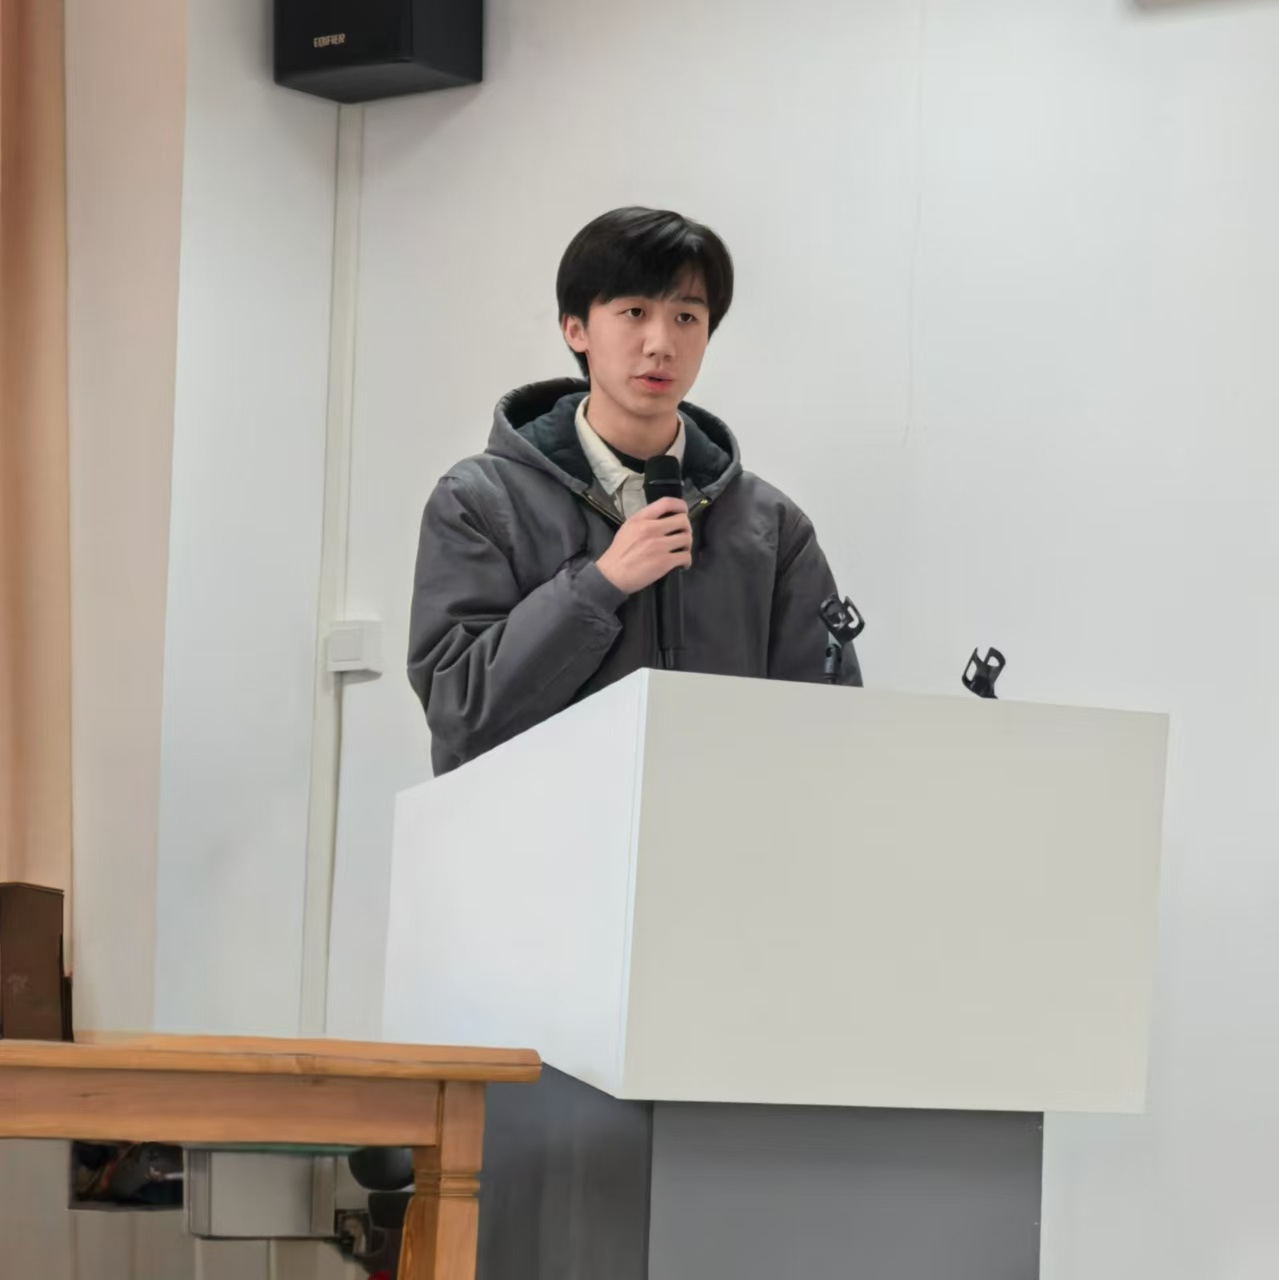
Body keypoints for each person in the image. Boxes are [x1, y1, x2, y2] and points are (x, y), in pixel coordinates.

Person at [409, 206, 861, 775]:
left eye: (687, 317)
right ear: (575, 328)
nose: (661, 343)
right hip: (540, 825)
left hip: (714, 824)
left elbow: (825, 728)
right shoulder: (479, 501)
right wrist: (599, 585)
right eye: (634, 312)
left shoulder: (770, 525)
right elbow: (460, 711)